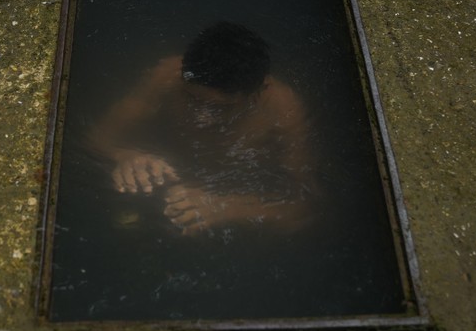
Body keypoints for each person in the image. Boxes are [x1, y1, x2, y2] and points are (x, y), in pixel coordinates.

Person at [87, 22, 317, 236]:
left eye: (221, 108)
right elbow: (99, 137)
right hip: (161, 195)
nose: (202, 118)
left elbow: (305, 207)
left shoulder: (283, 110)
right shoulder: (167, 77)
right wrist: (125, 155)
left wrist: (227, 207)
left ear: (257, 92)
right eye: (192, 99)